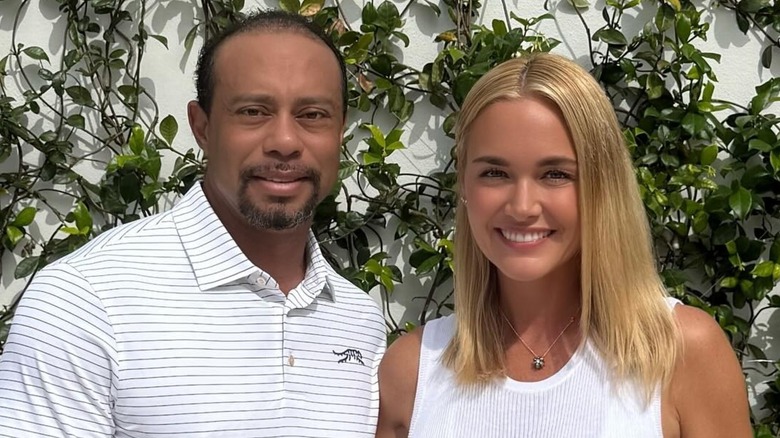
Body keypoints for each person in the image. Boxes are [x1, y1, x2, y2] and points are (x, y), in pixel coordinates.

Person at [0, 10, 386, 438]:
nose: (285, 142)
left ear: (341, 133)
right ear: (202, 127)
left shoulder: (357, 319)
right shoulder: (85, 300)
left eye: (312, 115)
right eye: (254, 111)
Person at [376, 53, 752, 438]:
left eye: (555, 174)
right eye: (494, 173)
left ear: (603, 186)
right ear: (465, 189)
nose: (522, 206)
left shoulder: (681, 352)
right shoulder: (411, 371)